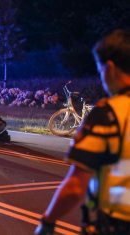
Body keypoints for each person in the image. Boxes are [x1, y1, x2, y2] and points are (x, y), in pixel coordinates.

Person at [35, 29, 130, 235]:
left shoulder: (109, 113)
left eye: (100, 69)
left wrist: (48, 221)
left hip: (116, 224)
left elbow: (76, 185)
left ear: (110, 68)